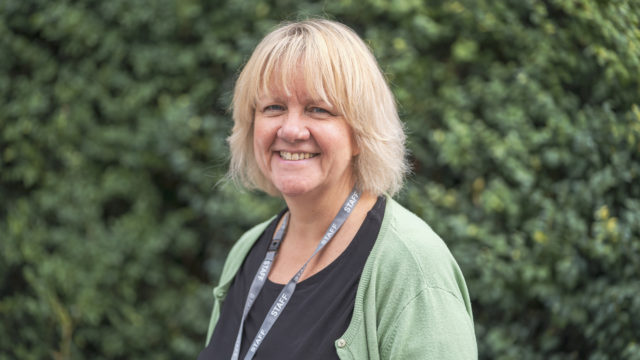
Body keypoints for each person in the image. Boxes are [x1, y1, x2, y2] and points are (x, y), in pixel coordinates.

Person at [198, 19, 477, 360]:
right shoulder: (246, 252)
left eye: (318, 109)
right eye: (274, 107)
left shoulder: (412, 267)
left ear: (360, 133)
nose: (292, 129)